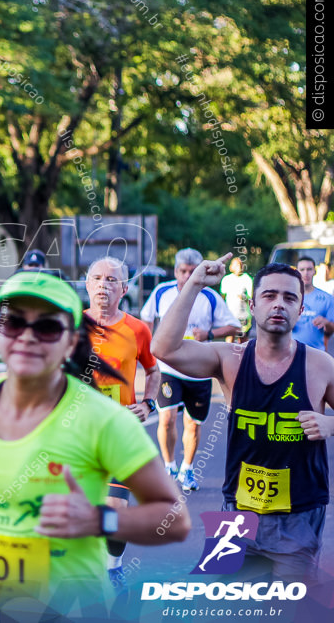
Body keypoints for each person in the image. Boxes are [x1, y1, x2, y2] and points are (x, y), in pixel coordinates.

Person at [0, 272, 189, 618]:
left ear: (71, 342)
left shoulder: (104, 420)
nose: (27, 337)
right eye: (13, 322)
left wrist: (97, 520)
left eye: (46, 328)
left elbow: (175, 519)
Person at [152, 256, 334, 584]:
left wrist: (331, 425)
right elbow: (163, 348)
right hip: (236, 510)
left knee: (288, 609)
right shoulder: (230, 358)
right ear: (252, 305)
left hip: (298, 515)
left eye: (289, 298)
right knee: (231, 608)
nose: (279, 304)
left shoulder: (321, 366)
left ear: (301, 309)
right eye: (269, 296)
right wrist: (194, 283)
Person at [83, 257, 162, 592]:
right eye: (97, 278)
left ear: (124, 288)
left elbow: (153, 369)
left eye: (112, 280)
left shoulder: (137, 330)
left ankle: (113, 567)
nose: (104, 285)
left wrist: (148, 403)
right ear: (87, 284)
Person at [140, 248, 241, 492]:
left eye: (191, 271)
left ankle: (187, 468)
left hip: (198, 371)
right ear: (175, 272)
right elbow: (146, 320)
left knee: (193, 424)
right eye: (182, 271)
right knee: (166, 418)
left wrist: (208, 334)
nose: (186, 275)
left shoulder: (210, 297)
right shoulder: (161, 292)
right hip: (168, 368)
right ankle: (168, 465)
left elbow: (234, 327)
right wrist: (148, 351)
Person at [291, 256, 334, 350]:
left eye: (309, 269)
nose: (306, 273)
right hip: (291, 353)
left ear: (315, 271)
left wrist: (326, 323)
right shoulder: (288, 297)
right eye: (302, 269)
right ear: (297, 272)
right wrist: (289, 322)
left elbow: (332, 329)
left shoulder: (327, 298)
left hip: (317, 353)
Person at [220, 256, 253, 343]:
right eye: (236, 265)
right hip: (230, 315)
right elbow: (222, 297)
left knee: (242, 339)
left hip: (243, 316)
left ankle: (244, 356)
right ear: (232, 267)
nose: (239, 267)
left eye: (240, 265)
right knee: (229, 338)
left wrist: (244, 298)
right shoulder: (226, 279)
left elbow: (251, 297)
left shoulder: (247, 279)